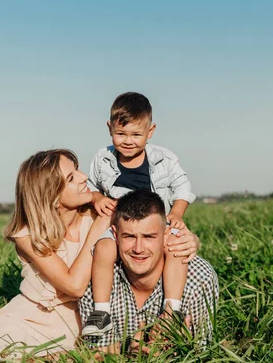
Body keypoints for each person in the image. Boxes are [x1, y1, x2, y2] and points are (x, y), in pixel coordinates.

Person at [82, 92, 197, 336]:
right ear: (109, 127)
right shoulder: (102, 159)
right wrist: (98, 198)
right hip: (121, 227)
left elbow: (183, 188)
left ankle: (171, 310)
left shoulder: (164, 159)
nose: (128, 141)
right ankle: (101, 312)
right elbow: (91, 186)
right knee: (102, 249)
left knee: (176, 248)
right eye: (120, 133)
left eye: (136, 134)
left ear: (151, 131)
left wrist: (176, 213)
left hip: (157, 224)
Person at [0, 149, 111, 357]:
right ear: (52, 196)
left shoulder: (95, 214)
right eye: (71, 178)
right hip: (34, 321)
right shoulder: (28, 236)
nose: (84, 177)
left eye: (77, 169)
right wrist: (99, 230)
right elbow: (74, 286)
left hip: (85, 317)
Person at [79, 190, 219, 352]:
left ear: (166, 235)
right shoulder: (96, 276)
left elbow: (204, 355)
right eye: (129, 236)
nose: (138, 249)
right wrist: (135, 360)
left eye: (149, 237)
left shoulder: (198, 278)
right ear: (115, 235)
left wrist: (176, 354)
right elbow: (99, 358)